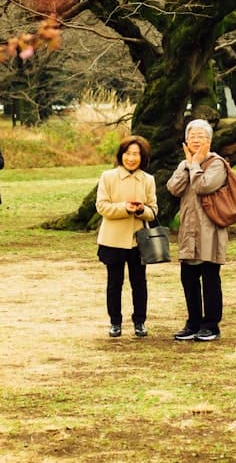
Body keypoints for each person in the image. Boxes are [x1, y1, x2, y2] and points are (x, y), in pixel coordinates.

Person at [166, 119, 228, 342]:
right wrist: (187, 164)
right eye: (191, 136)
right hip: (188, 230)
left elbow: (203, 186)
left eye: (200, 136)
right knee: (188, 277)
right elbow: (173, 188)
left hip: (210, 229)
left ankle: (211, 324)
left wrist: (195, 165)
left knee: (210, 278)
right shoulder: (185, 164)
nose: (195, 139)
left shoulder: (217, 163)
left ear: (209, 140)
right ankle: (193, 322)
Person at [95, 135, 158, 338]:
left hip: (138, 240)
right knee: (114, 282)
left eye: (136, 154)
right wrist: (125, 208)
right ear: (121, 155)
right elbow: (102, 206)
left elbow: (154, 210)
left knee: (139, 282)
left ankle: (140, 321)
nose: (131, 158)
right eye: (128, 154)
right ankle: (115, 322)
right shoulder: (108, 177)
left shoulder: (148, 180)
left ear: (143, 157)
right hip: (112, 239)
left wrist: (141, 211)